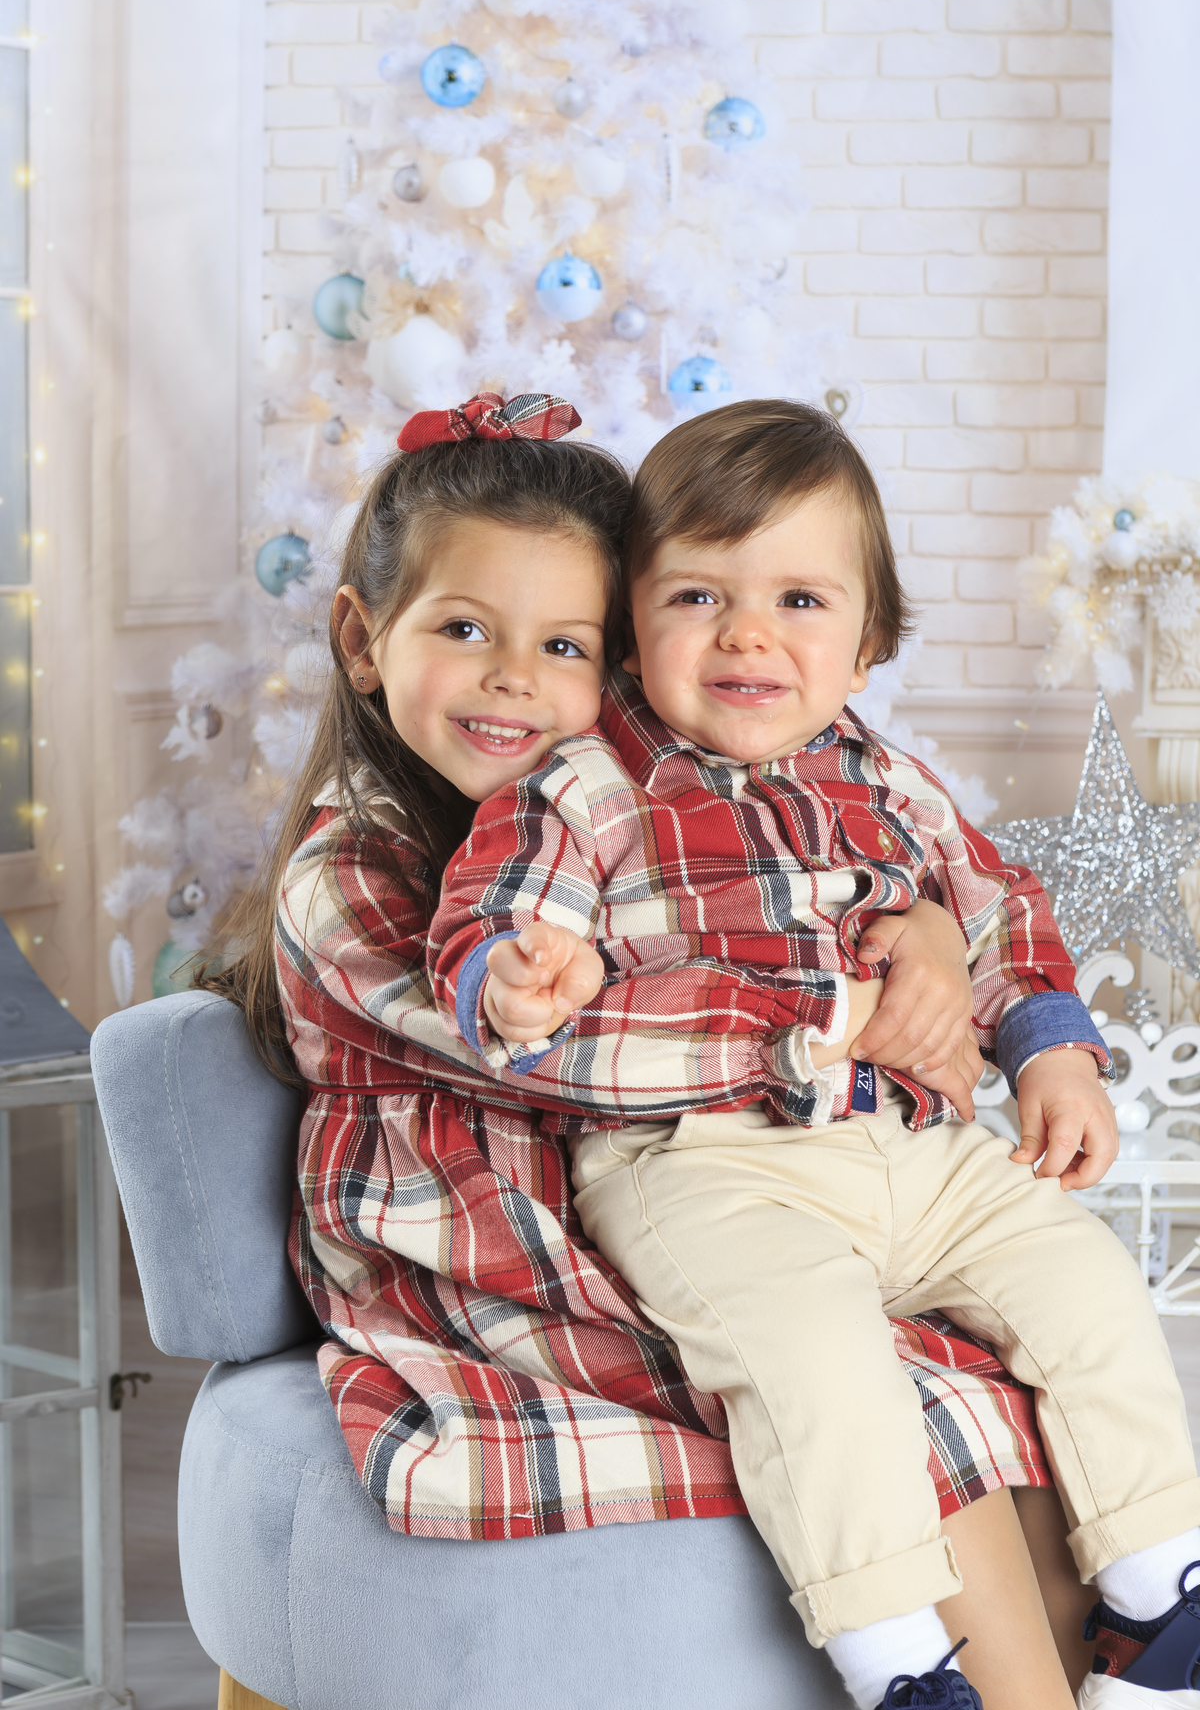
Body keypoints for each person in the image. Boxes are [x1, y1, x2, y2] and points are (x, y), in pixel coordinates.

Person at [207, 394, 1095, 1710]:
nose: (514, 677)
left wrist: (926, 932)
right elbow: (548, 1051)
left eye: (562, 643)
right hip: (497, 1251)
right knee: (900, 1412)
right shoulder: (349, 874)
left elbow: (869, 888)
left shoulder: (615, 823)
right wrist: (842, 1026)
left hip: (677, 1199)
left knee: (1003, 1386)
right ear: (361, 639)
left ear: (616, 666)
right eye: (463, 630)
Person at [428, 398, 1200, 1710]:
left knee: (1086, 1283)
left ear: (869, 638)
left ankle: (1159, 1592)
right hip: (708, 1166)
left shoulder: (893, 782)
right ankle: (899, 1661)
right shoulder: (591, 783)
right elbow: (502, 898)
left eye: (798, 599)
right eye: (695, 596)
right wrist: (516, 969)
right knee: (816, 1363)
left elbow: (998, 904)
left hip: (920, 1149)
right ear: (632, 623)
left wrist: (1053, 1053)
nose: (746, 634)